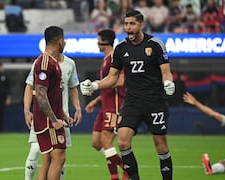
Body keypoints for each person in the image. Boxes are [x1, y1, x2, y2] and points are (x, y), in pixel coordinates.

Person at [80, 10, 175, 180]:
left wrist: (169, 83)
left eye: (132, 24)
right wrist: (94, 85)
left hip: (155, 100)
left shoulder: (155, 44)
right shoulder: (121, 48)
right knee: (123, 142)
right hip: (132, 101)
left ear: (141, 25)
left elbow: (166, 72)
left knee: (161, 147)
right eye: (126, 24)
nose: (128, 27)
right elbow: (112, 78)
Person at [23, 51, 82, 179]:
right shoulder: (42, 63)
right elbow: (30, 86)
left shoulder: (69, 64)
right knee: (37, 152)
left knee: (56, 158)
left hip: (60, 117)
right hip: (45, 117)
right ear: (60, 41)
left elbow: (72, 88)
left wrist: (77, 109)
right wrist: (27, 110)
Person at [85, 29, 128, 180]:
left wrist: (97, 85)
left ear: (105, 41)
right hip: (105, 105)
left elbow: (122, 80)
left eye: (99, 41)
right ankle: (124, 168)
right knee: (96, 142)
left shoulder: (115, 57)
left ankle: (121, 173)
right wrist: (96, 101)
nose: (97, 44)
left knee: (106, 141)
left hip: (115, 105)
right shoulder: (106, 59)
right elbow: (106, 86)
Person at [31, 25, 73, 180]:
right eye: (64, 40)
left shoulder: (53, 62)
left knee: (48, 160)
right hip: (48, 122)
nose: (65, 43)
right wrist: (55, 120)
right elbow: (40, 94)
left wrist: (63, 115)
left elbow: (54, 95)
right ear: (60, 41)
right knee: (59, 157)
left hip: (52, 118)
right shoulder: (44, 62)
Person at [0, 61, 11, 132]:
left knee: (1, 114)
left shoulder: (5, 76)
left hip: (3, 98)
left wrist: (8, 98)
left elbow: (8, 88)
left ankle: (0, 129)